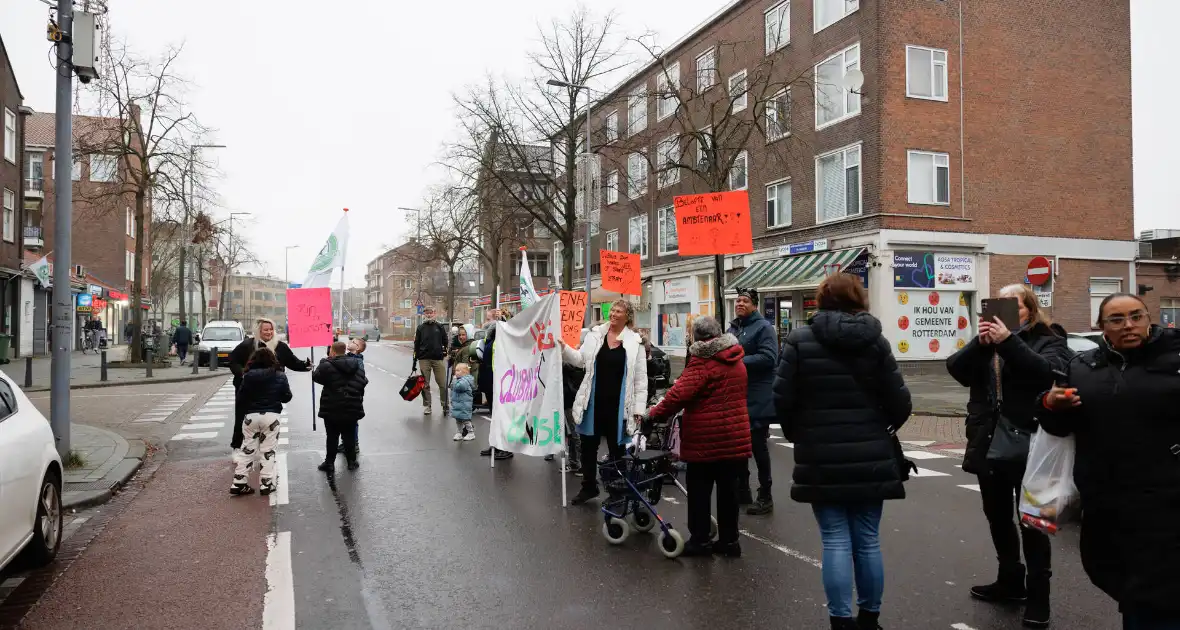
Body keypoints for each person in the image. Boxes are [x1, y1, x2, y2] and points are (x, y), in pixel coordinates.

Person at [773, 273, 912, 630]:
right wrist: (882, 429)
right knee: (867, 540)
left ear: (821, 300)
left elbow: (782, 399)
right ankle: (869, 619)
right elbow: (900, 402)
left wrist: (799, 434)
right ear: (857, 299)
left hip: (820, 455)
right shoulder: (876, 341)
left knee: (834, 539)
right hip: (870, 455)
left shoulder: (799, 340)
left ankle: (840, 621)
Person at [1039, 293, 1180, 629]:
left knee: (1156, 598)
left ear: (1149, 318)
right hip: (1107, 504)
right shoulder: (1082, 368)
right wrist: (1048, 404)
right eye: (1116, 320)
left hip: (1167, 501)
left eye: (1136, 316)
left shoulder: (1175, 358)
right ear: (1101, 326)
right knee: (1121, 580)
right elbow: (1059, 426)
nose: (1128, 325)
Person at [946, 283, 1070, 629]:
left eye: (1011, 303)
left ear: (1028, 308)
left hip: (1035, 445)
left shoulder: (1049, 338)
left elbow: (1049, 373)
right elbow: (956, 370)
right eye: (997, 303)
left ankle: (1039, 597)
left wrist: (1008, 342)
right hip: (990, 443)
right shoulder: (990, 343)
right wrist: (980, 343)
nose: (1002, 309)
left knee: (1033, 523)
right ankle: (1010, 580)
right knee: (997, 516)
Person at [647, 316, 751, 557]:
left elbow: (678, 396)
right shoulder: (736, 358)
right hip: (735, 436)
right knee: (728, 493)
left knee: (699, 491)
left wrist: (653, 414)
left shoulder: (703, 361)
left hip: (706, 438)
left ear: (697, 337)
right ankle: (729, 541)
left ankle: (700, 540)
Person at [560, 300, 648, 505]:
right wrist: (563, 348)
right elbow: (580, 360)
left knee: (616, 449)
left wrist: (638, 409)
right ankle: (588, 487)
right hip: (593, 402)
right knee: (588, 446)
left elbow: (640, 379)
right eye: (613, 310)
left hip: (619, 406)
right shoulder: (595, 335)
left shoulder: (635, 343)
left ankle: (616, 490)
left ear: (628, 317)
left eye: (620, 311)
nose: (614, 314)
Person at [728, 287, 779, 515]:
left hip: (758, 395)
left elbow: (769, 357)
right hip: (738, 395)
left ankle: (765, 494)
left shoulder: (764, 328)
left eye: (745, 301)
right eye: (737, 300)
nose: (740, 304)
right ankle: (742, 489)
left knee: (758, 446)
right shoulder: (733, 328)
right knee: (739, 445)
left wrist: (737, 359)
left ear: (754, 305)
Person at [229, 318, 312, 450]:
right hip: (248, 388)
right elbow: (233, 361)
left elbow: (292, 362)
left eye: (271, 329)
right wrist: (242, 374)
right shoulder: (248, 345)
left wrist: (305, 365)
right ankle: (238, 447)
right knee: (242, 418)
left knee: (269, 421)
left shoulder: (280, 346)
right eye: (265, 330)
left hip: (270, 391)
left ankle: (265, 449)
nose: (269, 332)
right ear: (258, 331)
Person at [232, 347, 292, 496]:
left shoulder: (248, 376)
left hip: (251, 416)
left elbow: (241, 398)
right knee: (268, 450)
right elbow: (287, 396)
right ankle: (266, 484)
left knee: (247, 449)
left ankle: (239, 482)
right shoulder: (280, 375)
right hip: (271, 416)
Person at [314, 341, 369, 473]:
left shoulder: (326, 365)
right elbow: (364, 381)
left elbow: (316, 377)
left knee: (332, 436)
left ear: (332, 351)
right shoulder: (356, 364)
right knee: (349, 435)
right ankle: (351, 462)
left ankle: (329, 463)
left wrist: (322, 363)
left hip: (332, 406)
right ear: (344, 350)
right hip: (351, 405)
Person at [479, 310, 514, 460]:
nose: (486, 322)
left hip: (499, 382)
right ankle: (495, 444)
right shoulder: (489, 338)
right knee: (494, 416)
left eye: (488, 319)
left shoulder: (502, 339)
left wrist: (504, 321)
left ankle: (506, 447)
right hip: (489, 381)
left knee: (502, 416)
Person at [413, 306, 450, 416]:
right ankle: (428, 406)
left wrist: (445, 351)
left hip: (438, 358)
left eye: (431, 313)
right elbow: (417, 343)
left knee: (443, 383)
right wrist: (415, 359)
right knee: (425, 384)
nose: (429, 315)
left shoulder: (439, 327)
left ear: (435, 313)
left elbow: (445, 341)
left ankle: (445, 405)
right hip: (424, 358)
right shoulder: (420, 328)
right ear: (424, 314)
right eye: (427, 313)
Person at [450, 363, 476, 442]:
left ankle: (471, 432)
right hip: (458, 404)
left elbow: (459, 387)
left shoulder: (465, 380)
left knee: (465, 420)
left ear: (464, 372)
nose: (456, 372)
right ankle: (459, 432)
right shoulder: (459, 380)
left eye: (458, 371)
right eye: (455, 370)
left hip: (464, 405)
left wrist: (454, 380)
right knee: (458, 419)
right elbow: (452, 387)